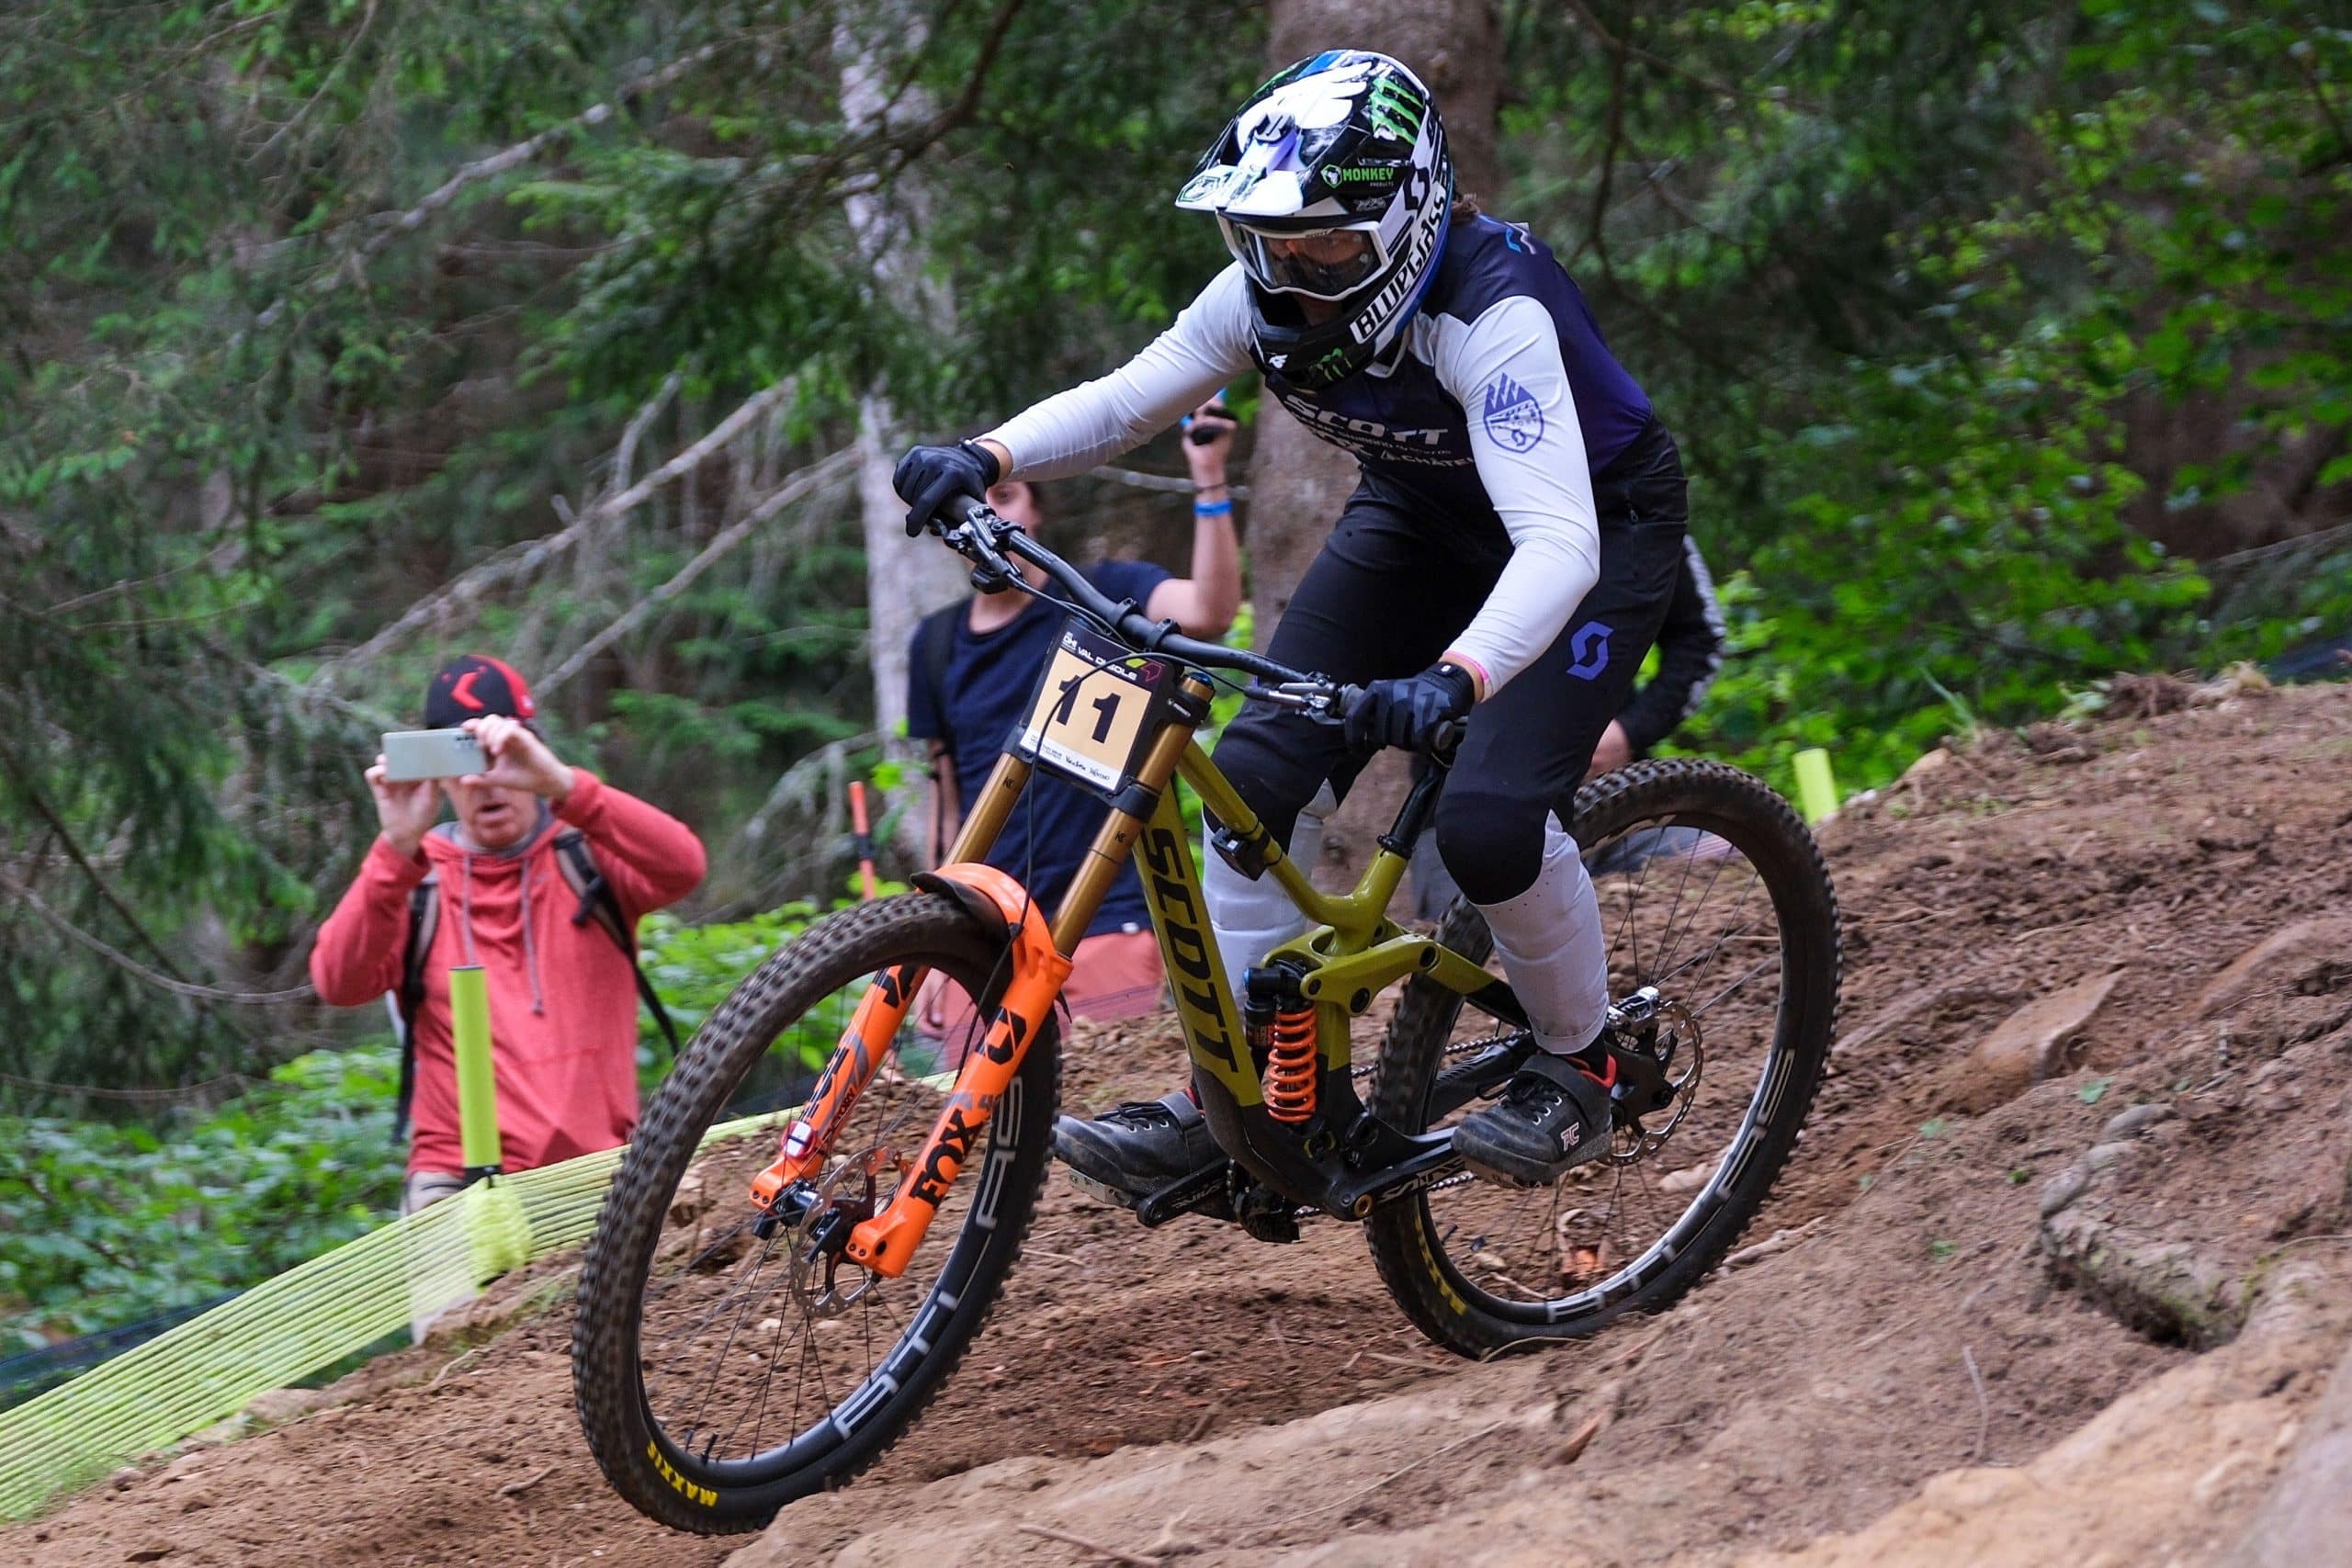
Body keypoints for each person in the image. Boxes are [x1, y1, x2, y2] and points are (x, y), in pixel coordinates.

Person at [895, 50, 1690, 1198]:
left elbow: (1557, 544)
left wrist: (1458, 677)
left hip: (1594, 531)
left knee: (1490, 824)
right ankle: (1251, 1107)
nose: (1294, 274)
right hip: (1418, 516)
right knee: (1249, 789)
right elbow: (1128, 399)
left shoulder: (1491, 313)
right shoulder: (1260, 301)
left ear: (1408, 220)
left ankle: (1592, 1061)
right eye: (1268, 243)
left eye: (1323, 245)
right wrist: (987, 454)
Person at [310, 654, 707, 1215]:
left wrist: (566, 786)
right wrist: (394, 848)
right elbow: (337, 981)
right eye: (461, 760)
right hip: (457, 1186)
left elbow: (683, 866)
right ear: (435, 772)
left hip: (601, 1173)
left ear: (532, 750)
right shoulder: (413, 881)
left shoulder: (587, 857)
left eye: (499, 755)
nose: (482, 781)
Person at [905, 420, 1242, 1021]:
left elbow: (1210, 613)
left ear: (1034, 506)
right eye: (966, 508)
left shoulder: (1103, 594)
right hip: (985, 930)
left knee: (1106, 1105)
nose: (986, 518)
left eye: (1002, 496)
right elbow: (946, 808)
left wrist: (1209, 477)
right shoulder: (933, 645)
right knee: (980, 1113)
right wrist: (928, 942)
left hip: (1108, 917)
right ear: (944, 533)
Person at [1409, 535, 1724, 918]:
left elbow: (1700, 638)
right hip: (1461, 816)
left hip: (1616, 804)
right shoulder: (1440, 504)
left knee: (1732, 864)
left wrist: (1630, 731)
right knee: (1471, 954)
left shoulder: (1636, 496)